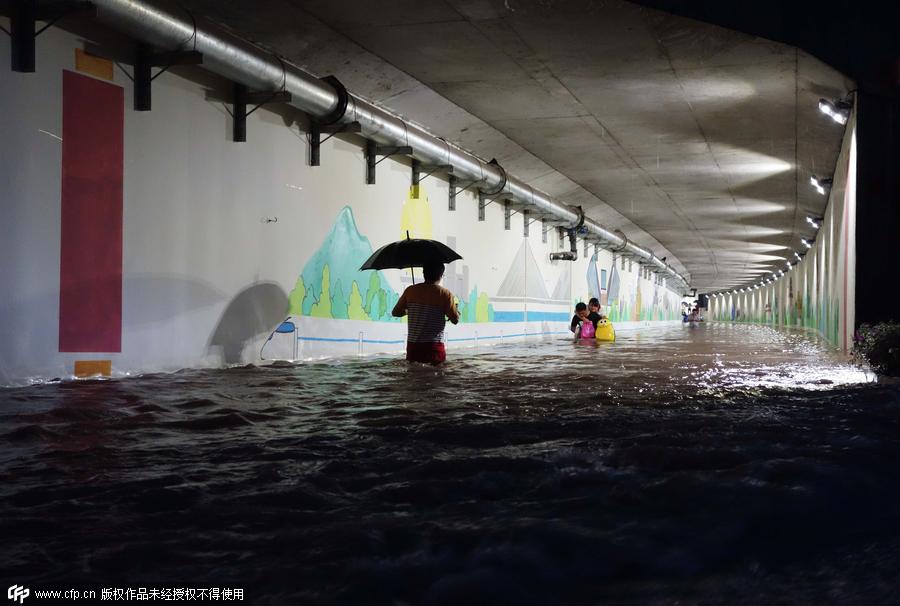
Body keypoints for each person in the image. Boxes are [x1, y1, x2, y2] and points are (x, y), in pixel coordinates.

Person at [392, 262, 460, 364]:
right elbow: (455, 320)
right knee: (437, 373)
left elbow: (395, 312)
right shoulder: (445, 294)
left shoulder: (410, 290)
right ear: (441, 275)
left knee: (413, 373)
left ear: (424, 273)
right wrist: (456, 311)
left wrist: (412, 310)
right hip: (434, 348)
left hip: (413, 348)